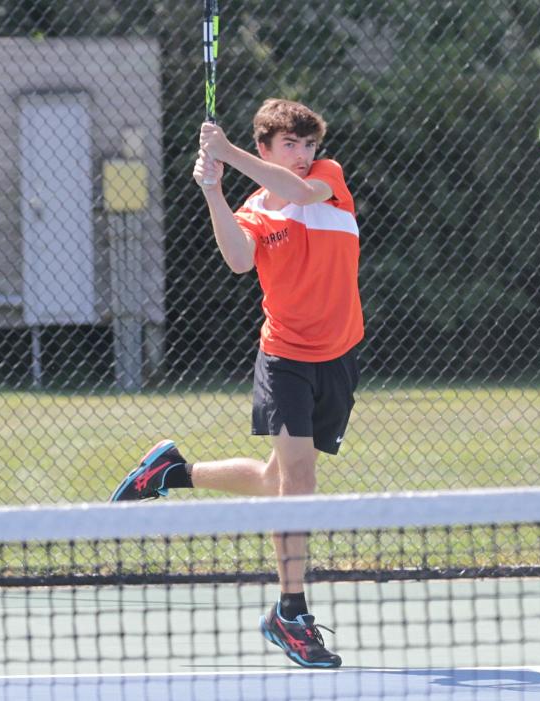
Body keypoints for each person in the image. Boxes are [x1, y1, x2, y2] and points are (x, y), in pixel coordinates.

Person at [109, 98, 363, 669]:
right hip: (284, 358)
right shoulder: (253, 209)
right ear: (268, 145)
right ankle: (290, 613)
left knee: (279, 479)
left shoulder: (327, 179)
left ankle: (173, 470)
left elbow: (297, 193)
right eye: (290, 145)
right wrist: (213, 190)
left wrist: (225, 152)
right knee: (299, 480)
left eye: (308, 145)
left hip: (339, 354)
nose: (303, 155)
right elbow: (238, 260)